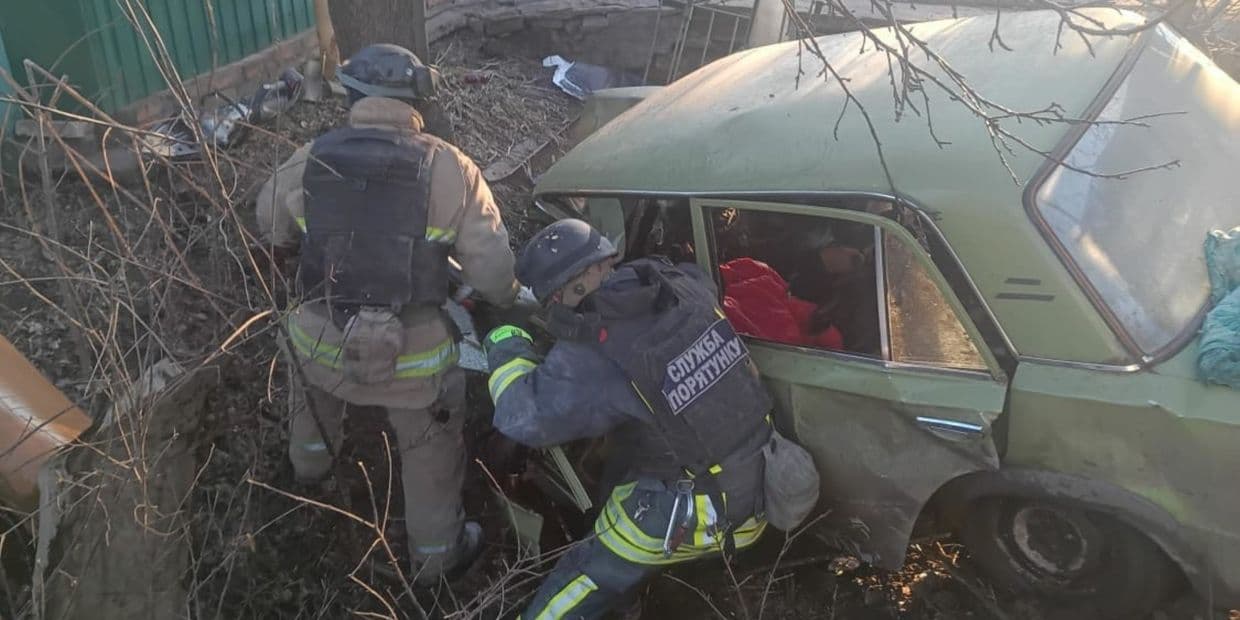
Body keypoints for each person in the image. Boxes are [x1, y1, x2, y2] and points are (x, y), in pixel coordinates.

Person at [254, 43, 519, 584]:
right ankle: (436, 555)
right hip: (414, 360)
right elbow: (492, 273)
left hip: (320, 340)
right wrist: (507, 300)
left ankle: (309, 470)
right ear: (418, 101)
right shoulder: (452, 167)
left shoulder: (312, 157)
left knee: (311, 400)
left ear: (351, 94)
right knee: (430, 448)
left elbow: (270, 225)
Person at [483, 219, 772, 618]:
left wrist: (504, 342)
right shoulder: (681, 285)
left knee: (578, 583)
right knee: (617, 470)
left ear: (576, 288)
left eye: (553, 298)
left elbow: (524, 417)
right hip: (764, 476)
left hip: (706, 509)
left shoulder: (596, 350)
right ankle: (630, 599)